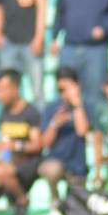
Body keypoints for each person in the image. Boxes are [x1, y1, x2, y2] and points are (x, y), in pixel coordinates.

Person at [0, 69, 41, 215]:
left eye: (2, 90)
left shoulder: (30, 112)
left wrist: (15, 146)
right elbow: (4, 143)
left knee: (1, 172)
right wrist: (3, 158)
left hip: (29, 163)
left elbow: (37, 145)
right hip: (11, 162)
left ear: (15, 88)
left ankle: (21, 200)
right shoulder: (4, 113)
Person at [38, 67, 90, 203]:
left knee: (77, 204)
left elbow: (82, 131)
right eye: (61, 90)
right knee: (51, 170)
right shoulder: (51, 108)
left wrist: (77, 103)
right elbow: (45, 143)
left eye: (68, 88)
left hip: (78, 165)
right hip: (57, 161)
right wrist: (54, 124)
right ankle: (55, 200)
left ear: (77, 86)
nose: (64, 94)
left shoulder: (86, 107)